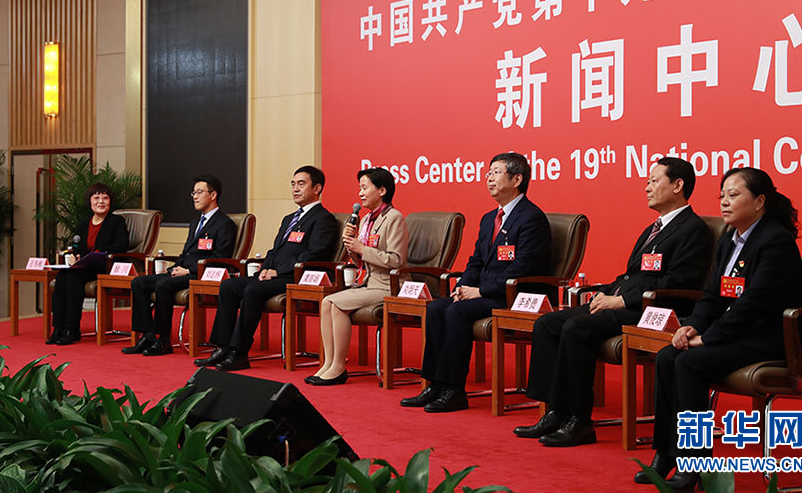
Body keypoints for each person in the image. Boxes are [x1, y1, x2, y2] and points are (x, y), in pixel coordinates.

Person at [514, 158, 714, 446]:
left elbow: (677, 283)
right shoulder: (654, 228)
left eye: (654, 181)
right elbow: (632, 275)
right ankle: (555, 411)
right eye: (647, 181)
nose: (647, 188)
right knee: (547, 323)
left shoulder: (693, 229)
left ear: (677, 185)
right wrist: (606, 292)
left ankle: (579, 421)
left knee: (576, 328)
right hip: (626, 301)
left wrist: (620, 300)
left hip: (654, 311)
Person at [636, 167, 802, 492]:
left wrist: (708, 338)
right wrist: (690, 327)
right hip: (740, 333)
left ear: (759, 201)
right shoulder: (730, 238)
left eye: (733, 195)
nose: (724, 202)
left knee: (690, 363)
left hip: (773, 337)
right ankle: (666, 453)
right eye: (722, 196)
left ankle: (694, 465)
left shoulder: (775, 241)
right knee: (668, 355)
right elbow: (714, 296)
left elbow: (754, 303)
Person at [400, 152, 552, 412]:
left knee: (457, 312)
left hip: (514, 295)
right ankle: (434, 384)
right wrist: (462, 287)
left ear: (517, 179)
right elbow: (476, 261)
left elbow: (524, 268)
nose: (489, 178)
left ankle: (454, 390)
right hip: (485, 293)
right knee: (436, 308)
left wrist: (480, 291)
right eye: (488, 173)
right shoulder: (488, 218)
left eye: (496, 172)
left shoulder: (531, 218)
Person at [194, 166, 338, 370]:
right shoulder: (289, 219)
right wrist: (265, 268)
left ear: (317, 188)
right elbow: (274, 250)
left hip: (297, 276)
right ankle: (222, 347)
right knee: (229, 286)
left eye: (301, 184)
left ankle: (239, 352)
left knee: (253, 290)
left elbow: (314, 254)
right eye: (293, 184)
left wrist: (278, 272)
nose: (295, 189)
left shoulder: (324, 219)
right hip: (274, 275)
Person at [306, 167, 408, 386]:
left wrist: (361, 248)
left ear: (382, 190)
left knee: (336, 303)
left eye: (364, 187)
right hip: (368, 282)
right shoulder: (366, 219)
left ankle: (338, 366)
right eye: (359, 188)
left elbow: (397, 260)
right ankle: (328, 363)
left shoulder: (394, 218)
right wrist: (351, 247)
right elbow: (361, 260)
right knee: (326, 302)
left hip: (388, 285)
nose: (360, 193)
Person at [123, 175, 236, 356]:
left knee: (163, 284)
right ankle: (148, 335)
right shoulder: (195, 223)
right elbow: (185, 253)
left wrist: (189, 270)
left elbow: (220, 258)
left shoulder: (224, 224)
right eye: (193, 193)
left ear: (213, 195)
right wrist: (175, 268)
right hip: (183, 271)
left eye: (199, 192)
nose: (195, 196)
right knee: (139, 282)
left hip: (201, 274)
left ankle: (163, 340)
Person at [47, 182, 129, 345]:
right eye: (96, 198)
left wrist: (98, 252)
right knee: (62, 276)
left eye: (105, 198)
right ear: (90, 201)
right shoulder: (83, 224)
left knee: (72, 278)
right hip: (83, 266)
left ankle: (72, 329)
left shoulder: (116, 221)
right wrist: (73, 256)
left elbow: (122, 245)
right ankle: (58, 328)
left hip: (103, 266)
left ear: (110, 201)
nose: (101, 201)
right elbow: (76, 247)